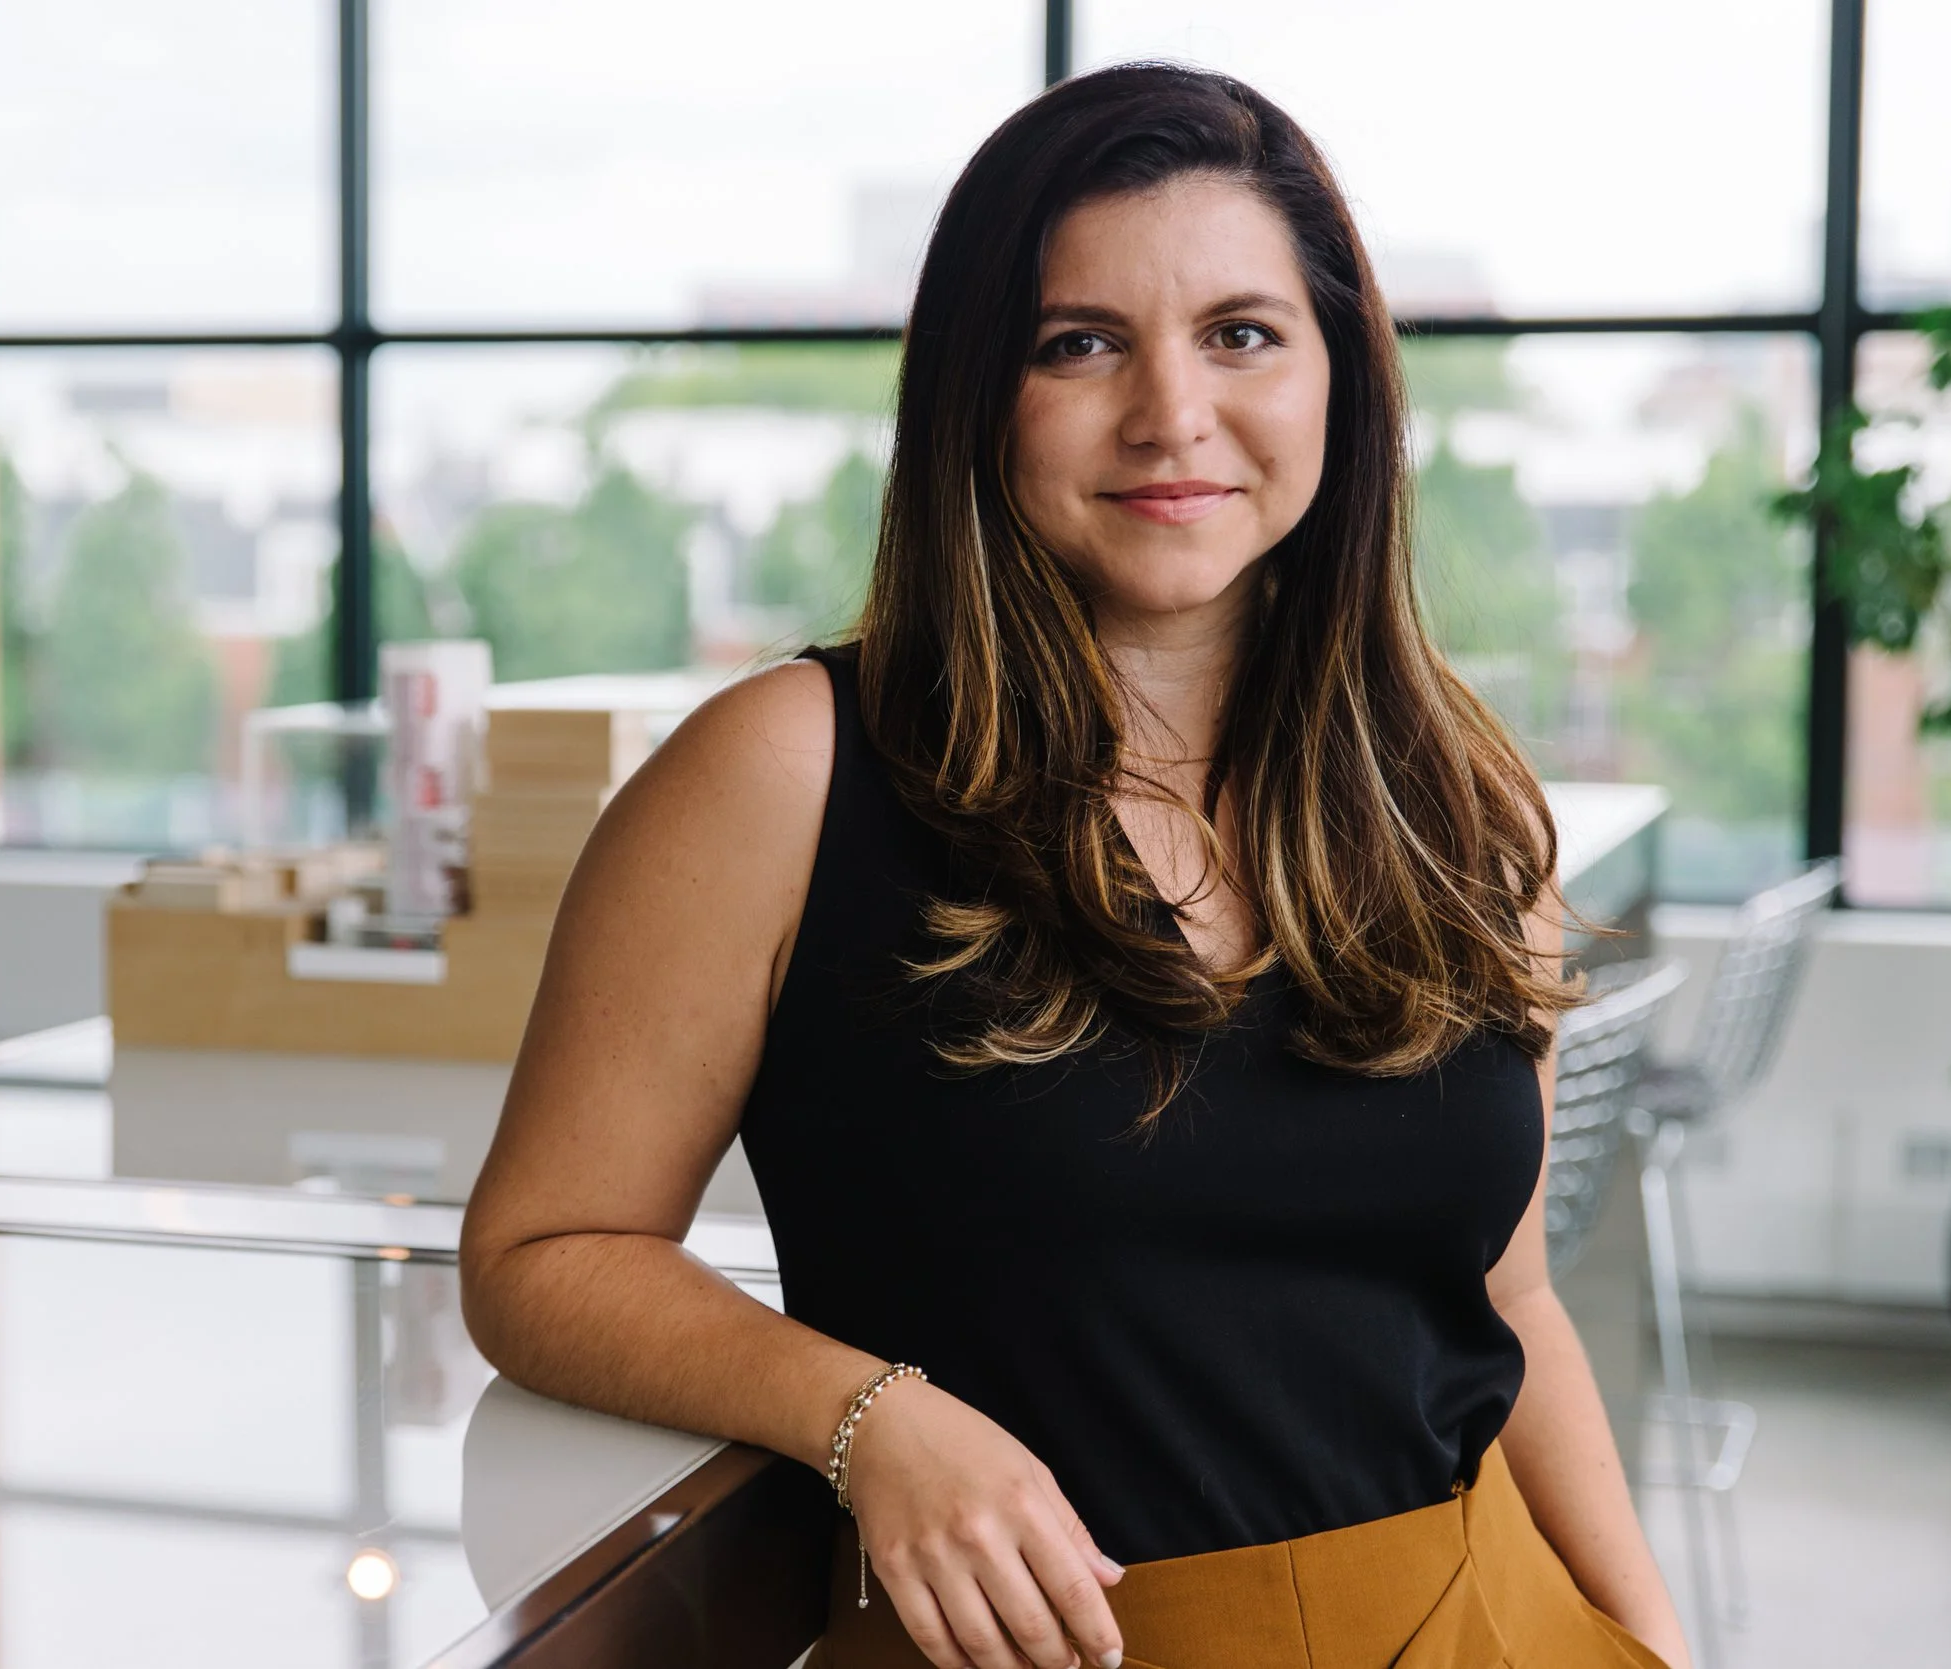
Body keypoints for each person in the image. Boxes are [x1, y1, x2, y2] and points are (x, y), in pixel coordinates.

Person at [460, 62, 1691, 1669]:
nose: (1171, 413)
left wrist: (1653, 1640)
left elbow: (1509, 1307)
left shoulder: (1445, 794)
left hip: (1494, 1623)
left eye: (1243, 332)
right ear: (980, 395)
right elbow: (542, 1256)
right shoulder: (783, 771)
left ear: (1341, 380)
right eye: (1080, 343)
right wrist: (864, 1415)